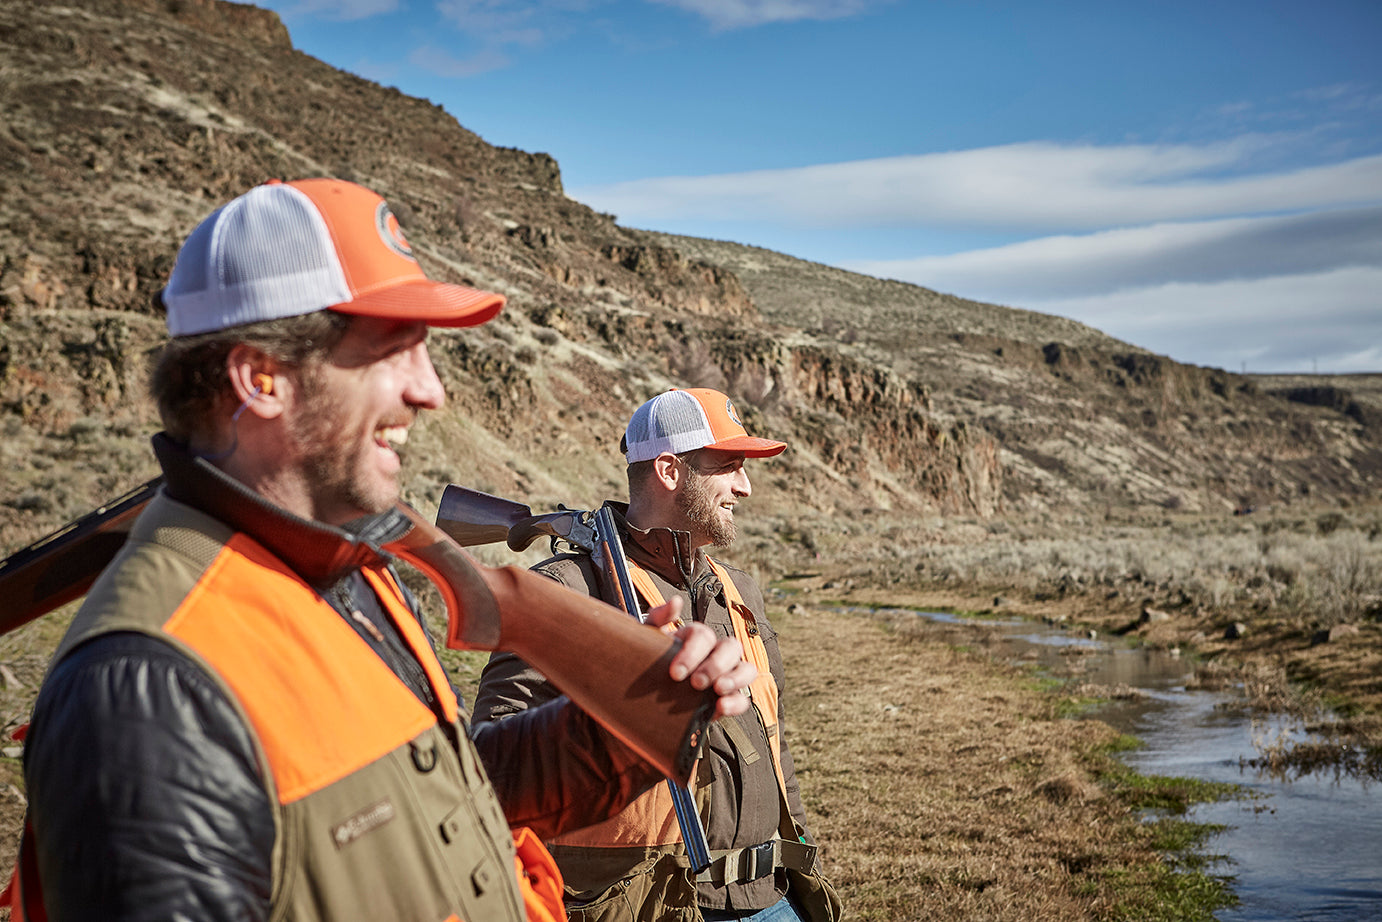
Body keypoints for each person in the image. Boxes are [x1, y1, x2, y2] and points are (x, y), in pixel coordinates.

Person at [8, 179, 755, 922]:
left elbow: (450, 790)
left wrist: (626, 719)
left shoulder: (347, 573)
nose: (429, 390)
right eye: (394, 350)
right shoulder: (144, 689)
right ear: (261, 376)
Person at [474, 387, 843, 922]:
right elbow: (496, 763)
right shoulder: (564, 589)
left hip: (771, 899)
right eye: (730, 466)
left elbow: (772, 738)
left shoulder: (737, 589)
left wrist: (799, 858)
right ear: (669, 470)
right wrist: (631, 702)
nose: (745, 486)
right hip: (648, 905)